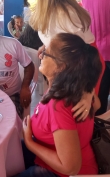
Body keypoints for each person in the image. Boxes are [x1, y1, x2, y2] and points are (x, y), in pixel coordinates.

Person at [26, 0, 103, 120]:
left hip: (77, 81)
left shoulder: (65, 14)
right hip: (61, 78)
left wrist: (89, 93)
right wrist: (48, 47)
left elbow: (92, 54)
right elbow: (63, 41)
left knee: (69, 125)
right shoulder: (48, 9)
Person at [16, 33, 101, 177]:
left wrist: (30, 142)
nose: (40, 54)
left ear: (60, 67)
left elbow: (70, 168)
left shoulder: (58, 105)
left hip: (61, 173)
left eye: (46, 52)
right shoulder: (77, 87)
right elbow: (97, 104)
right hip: (52, 158)